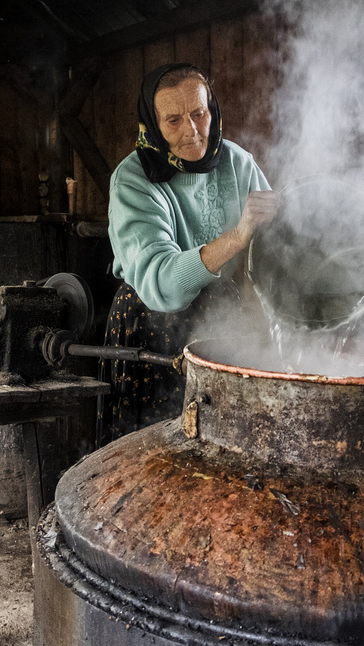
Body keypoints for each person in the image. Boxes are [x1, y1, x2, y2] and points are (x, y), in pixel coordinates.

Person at [96, 62, 281, 445]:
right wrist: (236, 237)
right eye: (174, 120)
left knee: (226, 447)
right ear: (152, 124)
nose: (192, 131)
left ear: (212, 110)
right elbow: (163, 284)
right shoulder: (133, 181)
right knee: (148, 452)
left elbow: (272, 250)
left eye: (198, 114)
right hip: (151, 324)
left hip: (224, 319)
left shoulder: (238, 163)